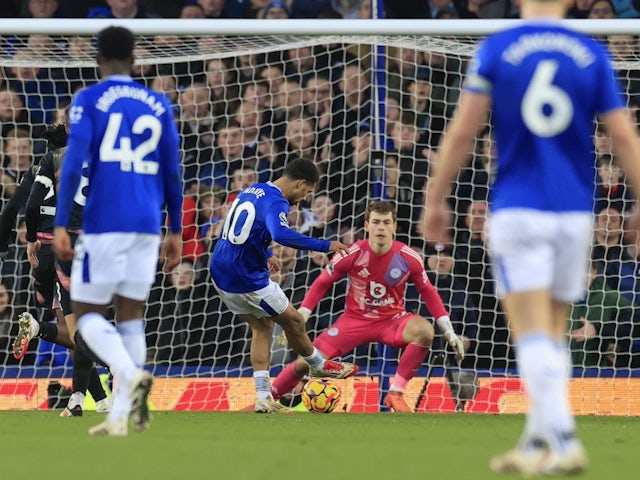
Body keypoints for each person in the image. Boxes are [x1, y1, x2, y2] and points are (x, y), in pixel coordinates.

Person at [422, 0, 640, 475]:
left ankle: (563, 438)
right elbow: (624, 137)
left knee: (531, 332)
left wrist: (436, 198)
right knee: (554, 332)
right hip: (575, 211)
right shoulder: (589, 54)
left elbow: (463, 131)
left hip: (520, 208)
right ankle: (536, 439)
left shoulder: (500, 47)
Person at [53, 26, 182, 436]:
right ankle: (120, 417)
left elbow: (72, 166)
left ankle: (128, 372)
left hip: (105, 222)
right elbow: (174, 173)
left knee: (86, 316)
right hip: (147, 224)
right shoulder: (159, 103)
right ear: (135, 60)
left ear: (96, 61)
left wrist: (59, 222)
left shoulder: (89, 99)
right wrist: (175, 228)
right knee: (131, 319)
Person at [271, 201, 464, 412]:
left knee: (424, 331)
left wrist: (448, 330)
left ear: (394, 226)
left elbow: (429, 292)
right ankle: (268, 396)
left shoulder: (408, 257)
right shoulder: (351, 253)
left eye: (386, 222)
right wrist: (303, 313)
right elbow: (322, 282)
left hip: (392, 320)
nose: (381, 227)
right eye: (376, 222)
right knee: (305, 362)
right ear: (367, 225)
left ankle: (396, 393)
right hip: (354, 320)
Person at [209, 158, 358, 413]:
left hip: (220, 270)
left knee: (261, 326)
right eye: (307, 192)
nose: (304, 198)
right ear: (300, 183)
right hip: (246, 278)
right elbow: (280, 234)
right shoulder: (277, 201)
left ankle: (264, 398)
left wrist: (267, 255)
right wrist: (325, 245)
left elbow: (243, 227)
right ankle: (318, 363)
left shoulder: (252, 190)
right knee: (295, 321)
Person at [15, 122, 110, 416]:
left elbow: (29, 207)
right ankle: (90, 397)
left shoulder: (49, 163)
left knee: (77, 328)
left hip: (58, 248)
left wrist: (30, 239)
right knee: (77, 329)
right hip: (95, 245)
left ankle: (104, 380)